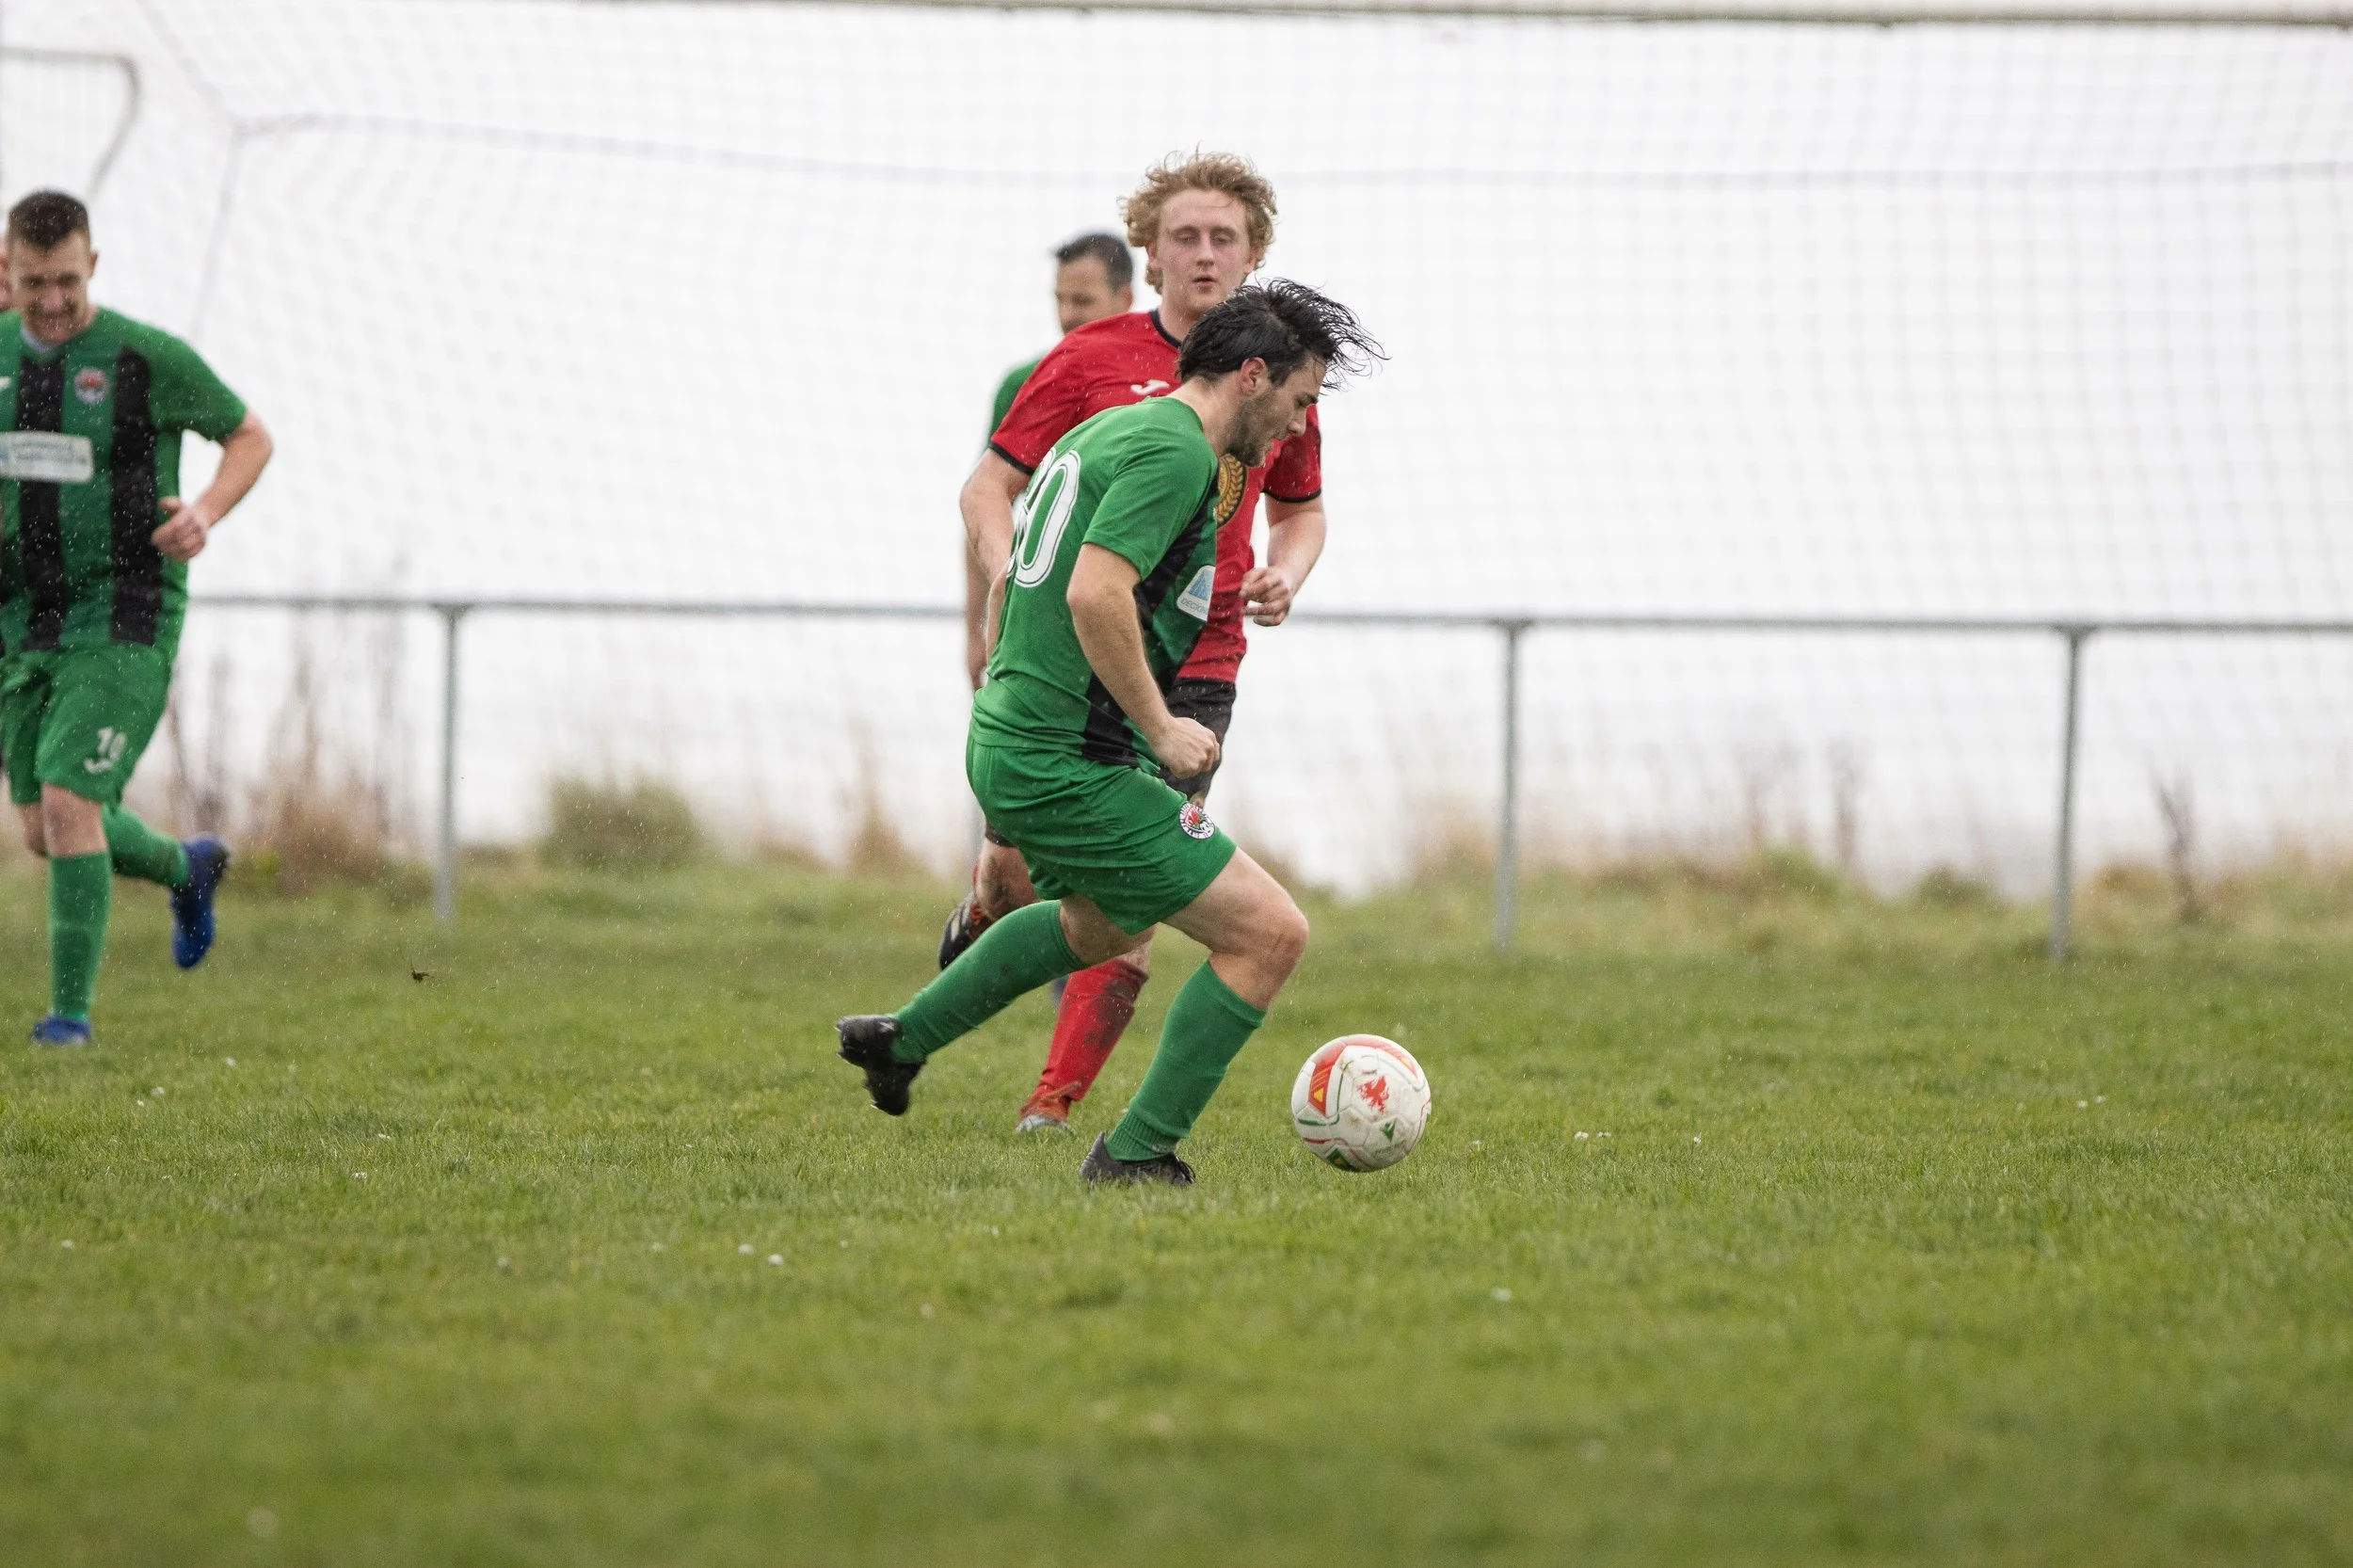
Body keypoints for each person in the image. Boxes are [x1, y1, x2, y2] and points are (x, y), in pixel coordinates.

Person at [839, 281, 1379, 1185]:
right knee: (1269, 935)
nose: (1294, 427)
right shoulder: (1177, 453)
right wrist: (1159, 728)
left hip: (1014, 740)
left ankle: (901, 1041)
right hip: (1064, 761)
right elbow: (1094, 591)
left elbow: (1019, 577)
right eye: (1299, 400)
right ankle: (1135, 1155)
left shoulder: (1111, 430)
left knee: (1100, 924)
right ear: (1252, 376)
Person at [948, 152, 1333, 1135]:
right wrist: (1005, 574)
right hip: (1071, 653)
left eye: (1225, 239)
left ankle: (1053, 1105)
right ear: (1148, 255)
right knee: (1026, 882)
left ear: (1254, 255)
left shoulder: (1285, 379)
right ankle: (966, 950)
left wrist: (1287, 571)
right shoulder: (1085, 360)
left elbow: (1303, 513)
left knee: (1134, 895)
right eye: (1185, 237)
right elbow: (987, 487)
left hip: (1193, 667)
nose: (1205, 255)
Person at [0, 190, 273, 1047]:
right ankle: (184, 867)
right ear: (7, 271)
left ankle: (68, 1021)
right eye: (35, 281)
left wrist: (205, 514)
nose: (51, 300)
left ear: (94, 268)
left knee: (70, 799)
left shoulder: (145, 359)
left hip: (126, 615)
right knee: (47, 831)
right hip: (25, 621)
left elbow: (249, 435)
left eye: (68, 282)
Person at [968, 233, 1135, 692]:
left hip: (1139, 619)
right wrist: (977, 629)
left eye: (1083, 300)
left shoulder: (1165, 387)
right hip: (1041, 623)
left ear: (1126, 298)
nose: (1067, 315)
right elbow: (987, 500)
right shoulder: (1026, 383)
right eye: (1060, 299)